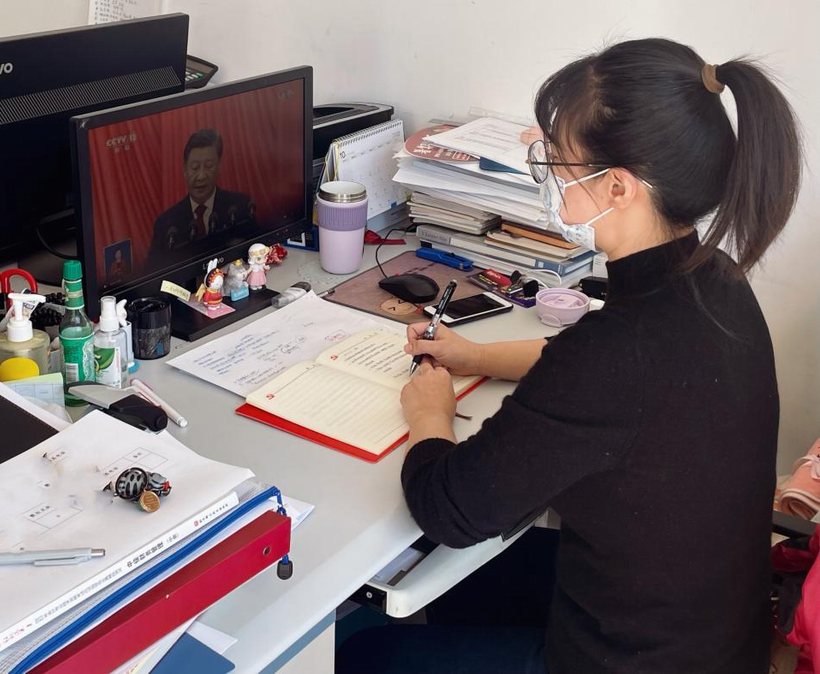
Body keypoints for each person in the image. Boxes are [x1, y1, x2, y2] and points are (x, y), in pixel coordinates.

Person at [336, 38, 801, 674]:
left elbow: (448, 509)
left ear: (617, 186)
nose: (550, 176)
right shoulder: (714, 280)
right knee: (469, 582)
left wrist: (429, 415)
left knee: (364, 651)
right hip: (708, 633)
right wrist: (476, 356)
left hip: (633, 659)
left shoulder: (615, 355)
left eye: (556, 160)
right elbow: (607, 374)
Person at [146, 128, 255, 271]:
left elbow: (257, 251)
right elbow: (152, 272)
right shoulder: (166, 224)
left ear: (219, 166)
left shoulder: (240, 205)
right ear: (185, 169)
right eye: (195, 167)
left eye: (209, 166)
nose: (201, 176)